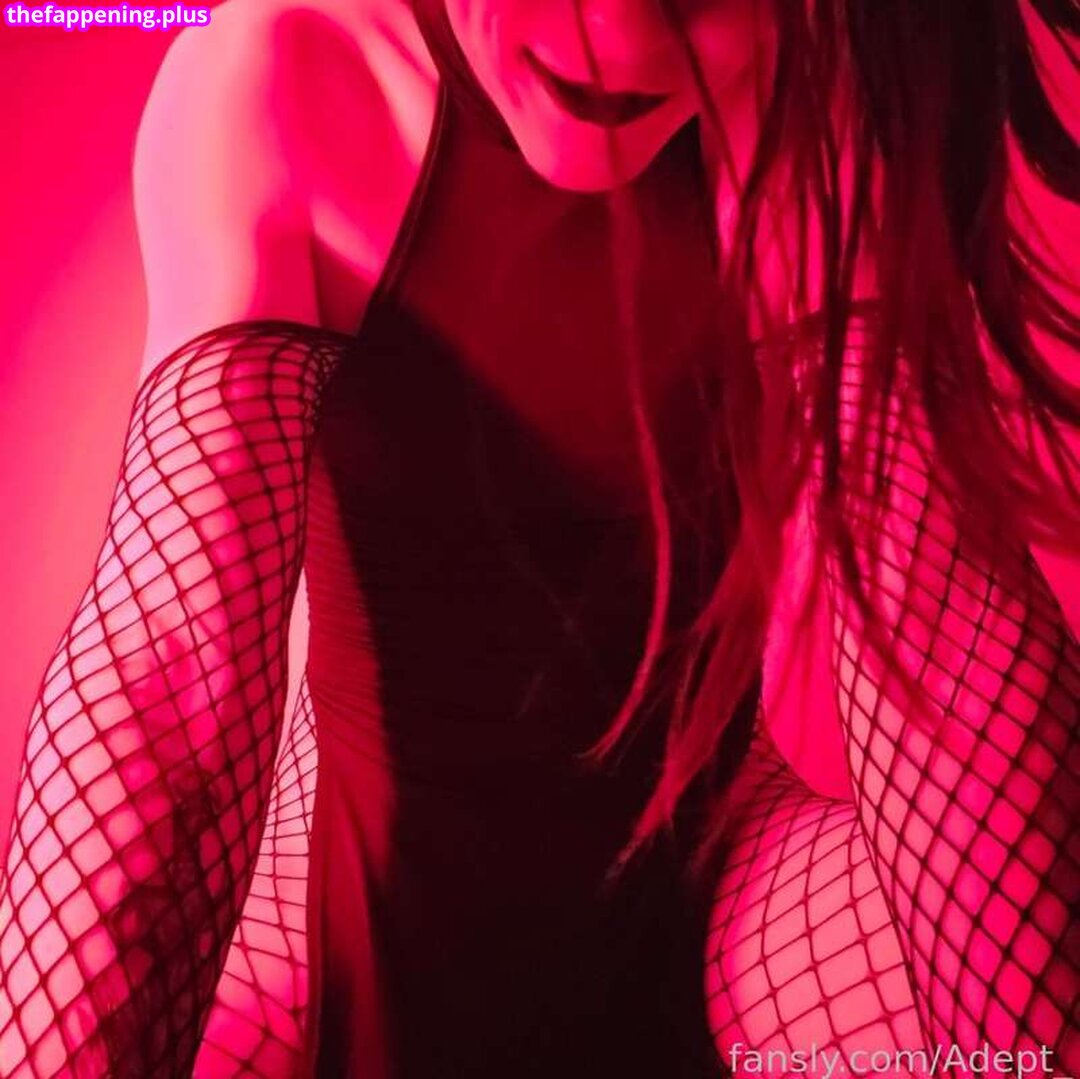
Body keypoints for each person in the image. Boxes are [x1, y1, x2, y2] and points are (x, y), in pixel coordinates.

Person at [0, 1, 1076, 1077]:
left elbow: (947, 642)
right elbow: (171, 679)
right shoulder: (286, 70)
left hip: (720, 884)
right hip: (337, 891)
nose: (621, 37)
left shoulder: (815, 92)